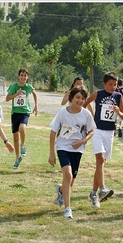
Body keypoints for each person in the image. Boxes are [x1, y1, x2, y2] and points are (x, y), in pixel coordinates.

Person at [83, 71, 123, 208]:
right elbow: (84, 105)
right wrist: (86, 120)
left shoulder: (118, 96)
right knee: (99, 159)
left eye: (115, 85)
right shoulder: (98, 94)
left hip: (110, 131)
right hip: (97, 129)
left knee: (101, 162)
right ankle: (102, 188)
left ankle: (93, 193)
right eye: (110, 84)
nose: (113, 87)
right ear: (104, 84)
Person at [49, 85, 96, 218]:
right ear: (71, 98)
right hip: (63, 147)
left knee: (71, 181)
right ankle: (68, 209)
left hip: (78, 149)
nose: (80, 101)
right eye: (77, 97)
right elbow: (53, 132)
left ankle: (61, 190)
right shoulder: (63, 112)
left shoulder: (86, 114)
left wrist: (82, 141)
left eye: (82, 98)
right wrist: (51, 153)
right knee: (68, 175)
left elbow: (92, 131)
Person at [5, 68, 38, 169]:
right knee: (15, 137)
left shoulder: (28, 87)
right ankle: (17, 157)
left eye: (25, 76)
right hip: (15, 113)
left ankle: (23, 145)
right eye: (22, 75)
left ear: (27, 77)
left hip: (25, 112)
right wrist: (16, 94)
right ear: (18, 76)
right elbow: (7, 98)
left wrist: (36, 105)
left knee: (22, 128)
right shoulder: (14, 86)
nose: (23, 77)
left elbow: (34, 93)